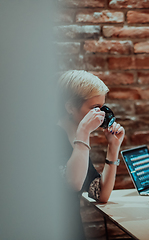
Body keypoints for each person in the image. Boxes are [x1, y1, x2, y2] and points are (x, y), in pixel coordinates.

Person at [57, 70, 125, 239]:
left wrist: (113, 147)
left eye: (102, 108)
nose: (100, 115)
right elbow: (73, 184)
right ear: (71, 107)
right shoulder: (50, 136)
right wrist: (84, 132)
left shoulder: (78, 137)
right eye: (94, 108)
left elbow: (100, 193)